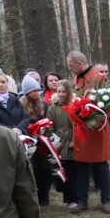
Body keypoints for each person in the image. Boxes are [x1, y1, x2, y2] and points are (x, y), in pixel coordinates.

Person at [66, 52, 110, 214]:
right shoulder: (77, 78)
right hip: (82, 130)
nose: (69, 69)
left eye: (70, 65)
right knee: (81, 166)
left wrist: (95, 122)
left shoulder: (100, 79)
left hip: (97, 130)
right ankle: (82, 201)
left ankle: (106, 201)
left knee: (101, 166)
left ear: (79, 63)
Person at [18, 76, 51, 206]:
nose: (36, 92)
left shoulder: (43, 104)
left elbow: (48, 120)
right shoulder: (20, 105)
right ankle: (34, 196)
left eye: (38, 90)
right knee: (33, 170)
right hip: (28, 142)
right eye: (33, 90)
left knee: (45, 169)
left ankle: (44, 196)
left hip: (42, 141)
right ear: (27, 91)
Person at [47, 80, 78, 209]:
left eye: (63, 92)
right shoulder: (53, 108)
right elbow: (50, 127)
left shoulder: (75, 105)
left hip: (74, 142)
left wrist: (76, 139)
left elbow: (79, 124)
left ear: (68, 92)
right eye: (58, 92)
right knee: (66, 173)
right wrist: (54, 142)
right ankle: (70, 199)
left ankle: (79, 197)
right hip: (61, 143)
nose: (61, 94)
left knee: (76, 172)